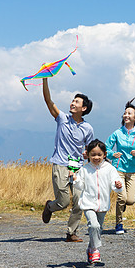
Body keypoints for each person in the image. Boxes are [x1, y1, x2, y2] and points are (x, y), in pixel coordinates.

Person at [41, 77, 94, 242]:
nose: (72, 103)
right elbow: (48, 101)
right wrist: (45, 79)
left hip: (77, 168)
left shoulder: (88, 128)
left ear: (83, 108)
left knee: (79, 201)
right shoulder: (62, 119)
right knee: (63, 202)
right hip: (60, 165)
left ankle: (71, 233)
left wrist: (87, 154)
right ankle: (50, 206)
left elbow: (90, 148)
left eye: (76, 102)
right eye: (72, 100)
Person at [105, 98, 135, 234]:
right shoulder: (117, 133)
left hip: (133, 170)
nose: (126, 115)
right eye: (125, 113)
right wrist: (112, 154)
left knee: (130, 200)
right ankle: (119, 224)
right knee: (121, 197)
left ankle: (123, 205)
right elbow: (106, 149)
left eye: (129, 113)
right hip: (118, 169)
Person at [73, 139, 123, 264]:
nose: (96, 157)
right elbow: (79, 186)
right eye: (93, 154)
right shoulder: (85, 169)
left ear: (105, 154)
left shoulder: (109, 168)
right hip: (88, 203)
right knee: (93, 226)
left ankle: (90, 249)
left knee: (98, 229)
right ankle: (95, 250)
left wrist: (118, 185)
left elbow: (116, 185)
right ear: (88, 155)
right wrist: (75, 179)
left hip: (103, 205)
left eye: (99, 155)